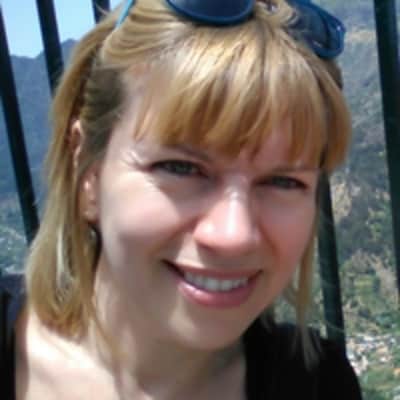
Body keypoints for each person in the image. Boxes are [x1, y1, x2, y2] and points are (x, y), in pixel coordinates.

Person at [1, 0, 363, 398]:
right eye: (181, 168)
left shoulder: (319, 386)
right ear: (87, 171)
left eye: (283, 181)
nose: (233, 235)